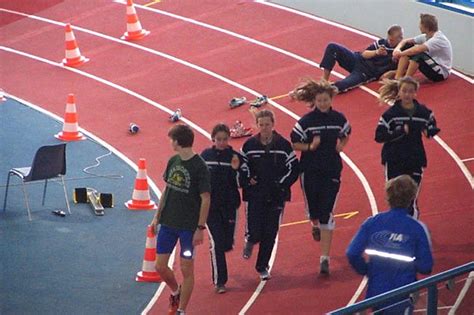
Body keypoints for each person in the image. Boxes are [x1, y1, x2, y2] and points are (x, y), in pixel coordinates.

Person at [346, 175, 433, 314]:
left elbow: (352, 252)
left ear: (388, 196)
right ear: (411, 198)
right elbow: (426, 266)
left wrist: (367, 270)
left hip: (376, 293)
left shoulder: (372, 222)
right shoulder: (417, 228)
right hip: (403, 293)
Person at [290, 79, 351, 275]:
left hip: (332, 169)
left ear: (330, 99)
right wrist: (309, 147)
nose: (323, 103)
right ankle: (314, 223)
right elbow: (294, 143)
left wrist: (342, 145)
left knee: (327, 212)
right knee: (314, 211)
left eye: (325, 100)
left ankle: (324, 258)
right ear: (314, 101)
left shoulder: (339, 118)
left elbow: (346, 133)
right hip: (310, 171)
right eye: (319, 100)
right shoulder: (306, 122)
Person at [151, 124, 211, 315]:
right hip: (168, 223)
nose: (170, 143)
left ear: (177, 142)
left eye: (171, 140)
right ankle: (176, 292)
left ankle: (182, 310)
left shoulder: (199, 166)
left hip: (187, 228)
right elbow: (166, 190)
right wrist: (156, 217)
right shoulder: (173, 161)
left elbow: (206, 198)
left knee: (187, 270)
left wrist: (200, 228)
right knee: (159, 266)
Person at [240, 109, 299, 280]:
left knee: (271, 232)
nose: (265, 128)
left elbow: (294, 168)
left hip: (276, 195)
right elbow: (241, 165)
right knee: (255, 229)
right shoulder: (249, 145)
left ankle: (262, 266)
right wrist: (248, 178)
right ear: (257, 125)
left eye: (268, 124)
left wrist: (281, 184)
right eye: (261, 124)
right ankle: (250, 239)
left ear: (273, 124)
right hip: (255, 195)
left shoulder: (283, 145)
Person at [375, 76, 440, 218]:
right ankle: (397, 229)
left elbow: (431, 128)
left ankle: (413, 228)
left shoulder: (424, 113)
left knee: (412, 199)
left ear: (415, 93)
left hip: (415, 158)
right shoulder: (390, 115)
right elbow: (379, 136)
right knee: (394, 198)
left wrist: (429, 131)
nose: (407, 94)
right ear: (399, 92)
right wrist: (400, 131)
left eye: (411, 91)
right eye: (404, 91)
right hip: (394, 159)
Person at [201, 123, 243, 294]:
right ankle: (220, 281)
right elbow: (200, 178)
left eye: (225, 139)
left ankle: (226, 244)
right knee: (217, 243)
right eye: (219, 139)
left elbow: (242, 182)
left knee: (226, 243)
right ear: (213, 139)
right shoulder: (206, 156)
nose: (222, 142)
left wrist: (236, 169)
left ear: (229, 139)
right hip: (211, 207)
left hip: (230, 204)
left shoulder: (235, 156)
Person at [319, 25, 403, 93]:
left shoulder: (403, 52)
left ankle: (326, 91)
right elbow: (364, 54)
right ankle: (324, 81)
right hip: (357, 59)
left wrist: (392, 72)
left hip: (366, 72)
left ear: (400, 39)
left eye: (392, 40)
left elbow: (407, 67)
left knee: (342, 85)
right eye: (388, 39)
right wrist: (376, 52)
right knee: (332, 47)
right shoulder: (382, 43)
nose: (389, 41)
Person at [392, 13, 452, 82]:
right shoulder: (427, 36)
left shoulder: (437, 39)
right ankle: (397, 77)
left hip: (441, 73)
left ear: (426, 27)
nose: (419, 26)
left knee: (418, 54)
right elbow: (405, 41)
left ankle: (406, 81)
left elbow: (416, 50)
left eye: (420, 24)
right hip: (432, 65)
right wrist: (397, 50)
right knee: (407, 46)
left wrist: (399, 54)